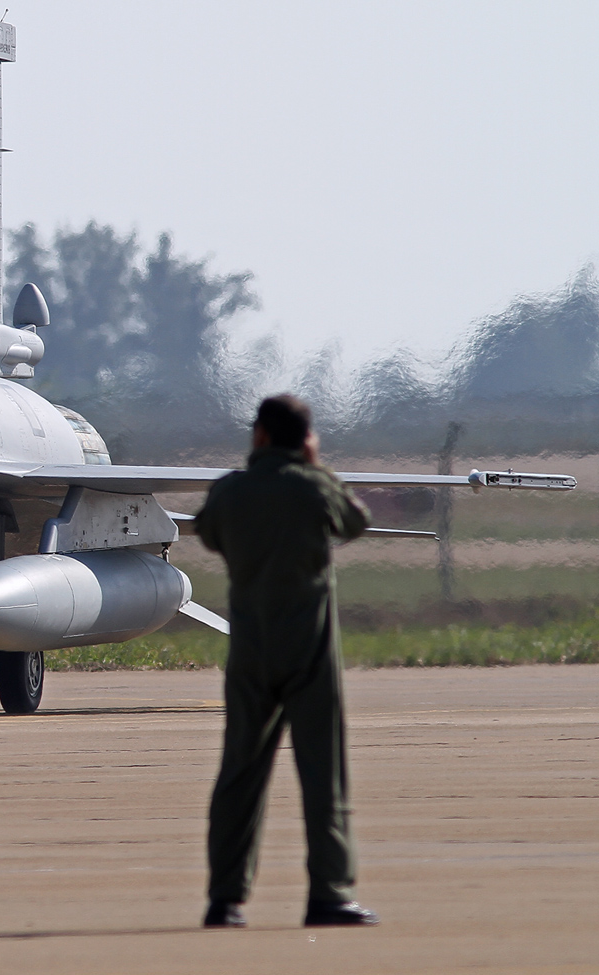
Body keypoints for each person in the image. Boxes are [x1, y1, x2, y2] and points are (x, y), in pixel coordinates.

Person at [193, 394, 380, 928]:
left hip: (251, 648)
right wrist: (315, 468)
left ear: (260, 436)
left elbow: (207, 532)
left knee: (239, 774)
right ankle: (328, 892)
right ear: (304, 439)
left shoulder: (230, 491)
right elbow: (355, 522)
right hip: (309, 650)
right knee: (324, 773)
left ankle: (224, 898)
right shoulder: (312, 486)